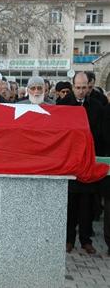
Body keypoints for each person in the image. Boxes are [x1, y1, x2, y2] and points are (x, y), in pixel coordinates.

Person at [58, 72, 104, 254]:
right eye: (78, 88)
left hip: (87, 161)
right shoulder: (63, 105)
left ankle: (86, 239)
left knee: (87, 204)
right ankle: (69, 239)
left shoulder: (97, 107)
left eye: (85, 88)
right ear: (73, 86)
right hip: (70, 162)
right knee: (70, 203)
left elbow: (99, 135)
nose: (81, 91)